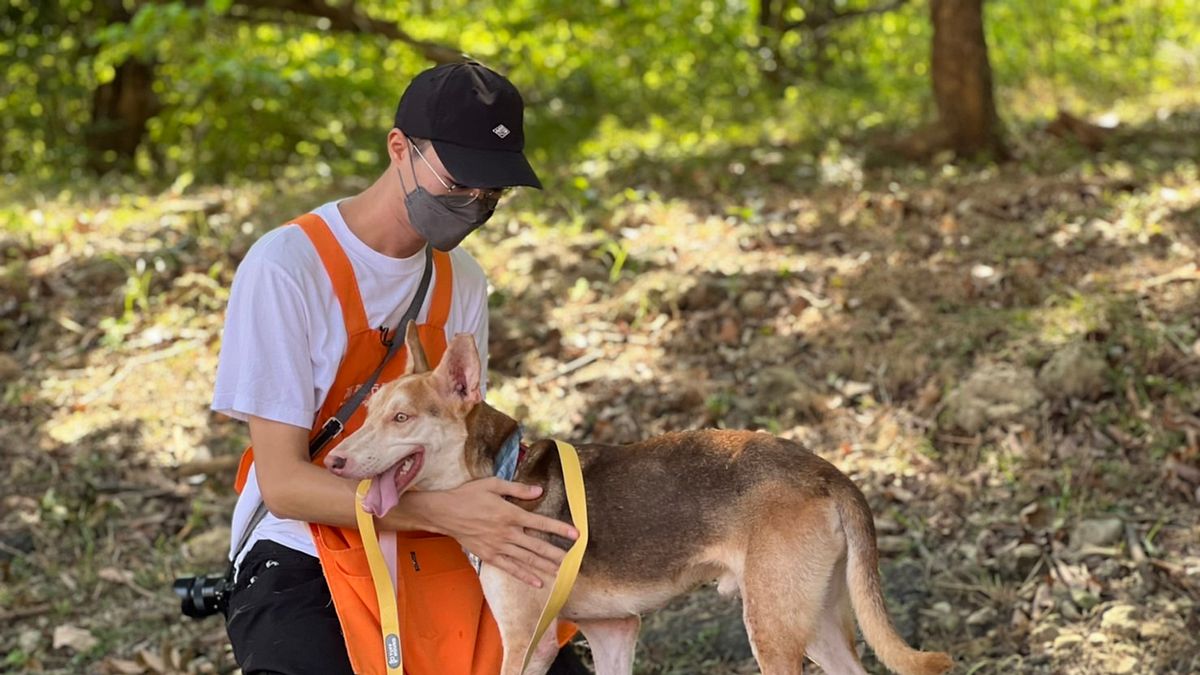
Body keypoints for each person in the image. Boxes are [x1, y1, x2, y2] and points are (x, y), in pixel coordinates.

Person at [212, 61, 585, 675]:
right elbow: (281, 485)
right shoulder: (287, 268)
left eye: (491, 191)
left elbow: (463, 443)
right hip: (304, 541)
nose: (475, 202)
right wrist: (445, 514)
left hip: (438, 541)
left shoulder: (460, 280)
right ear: (399, 149)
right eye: (460, 180)